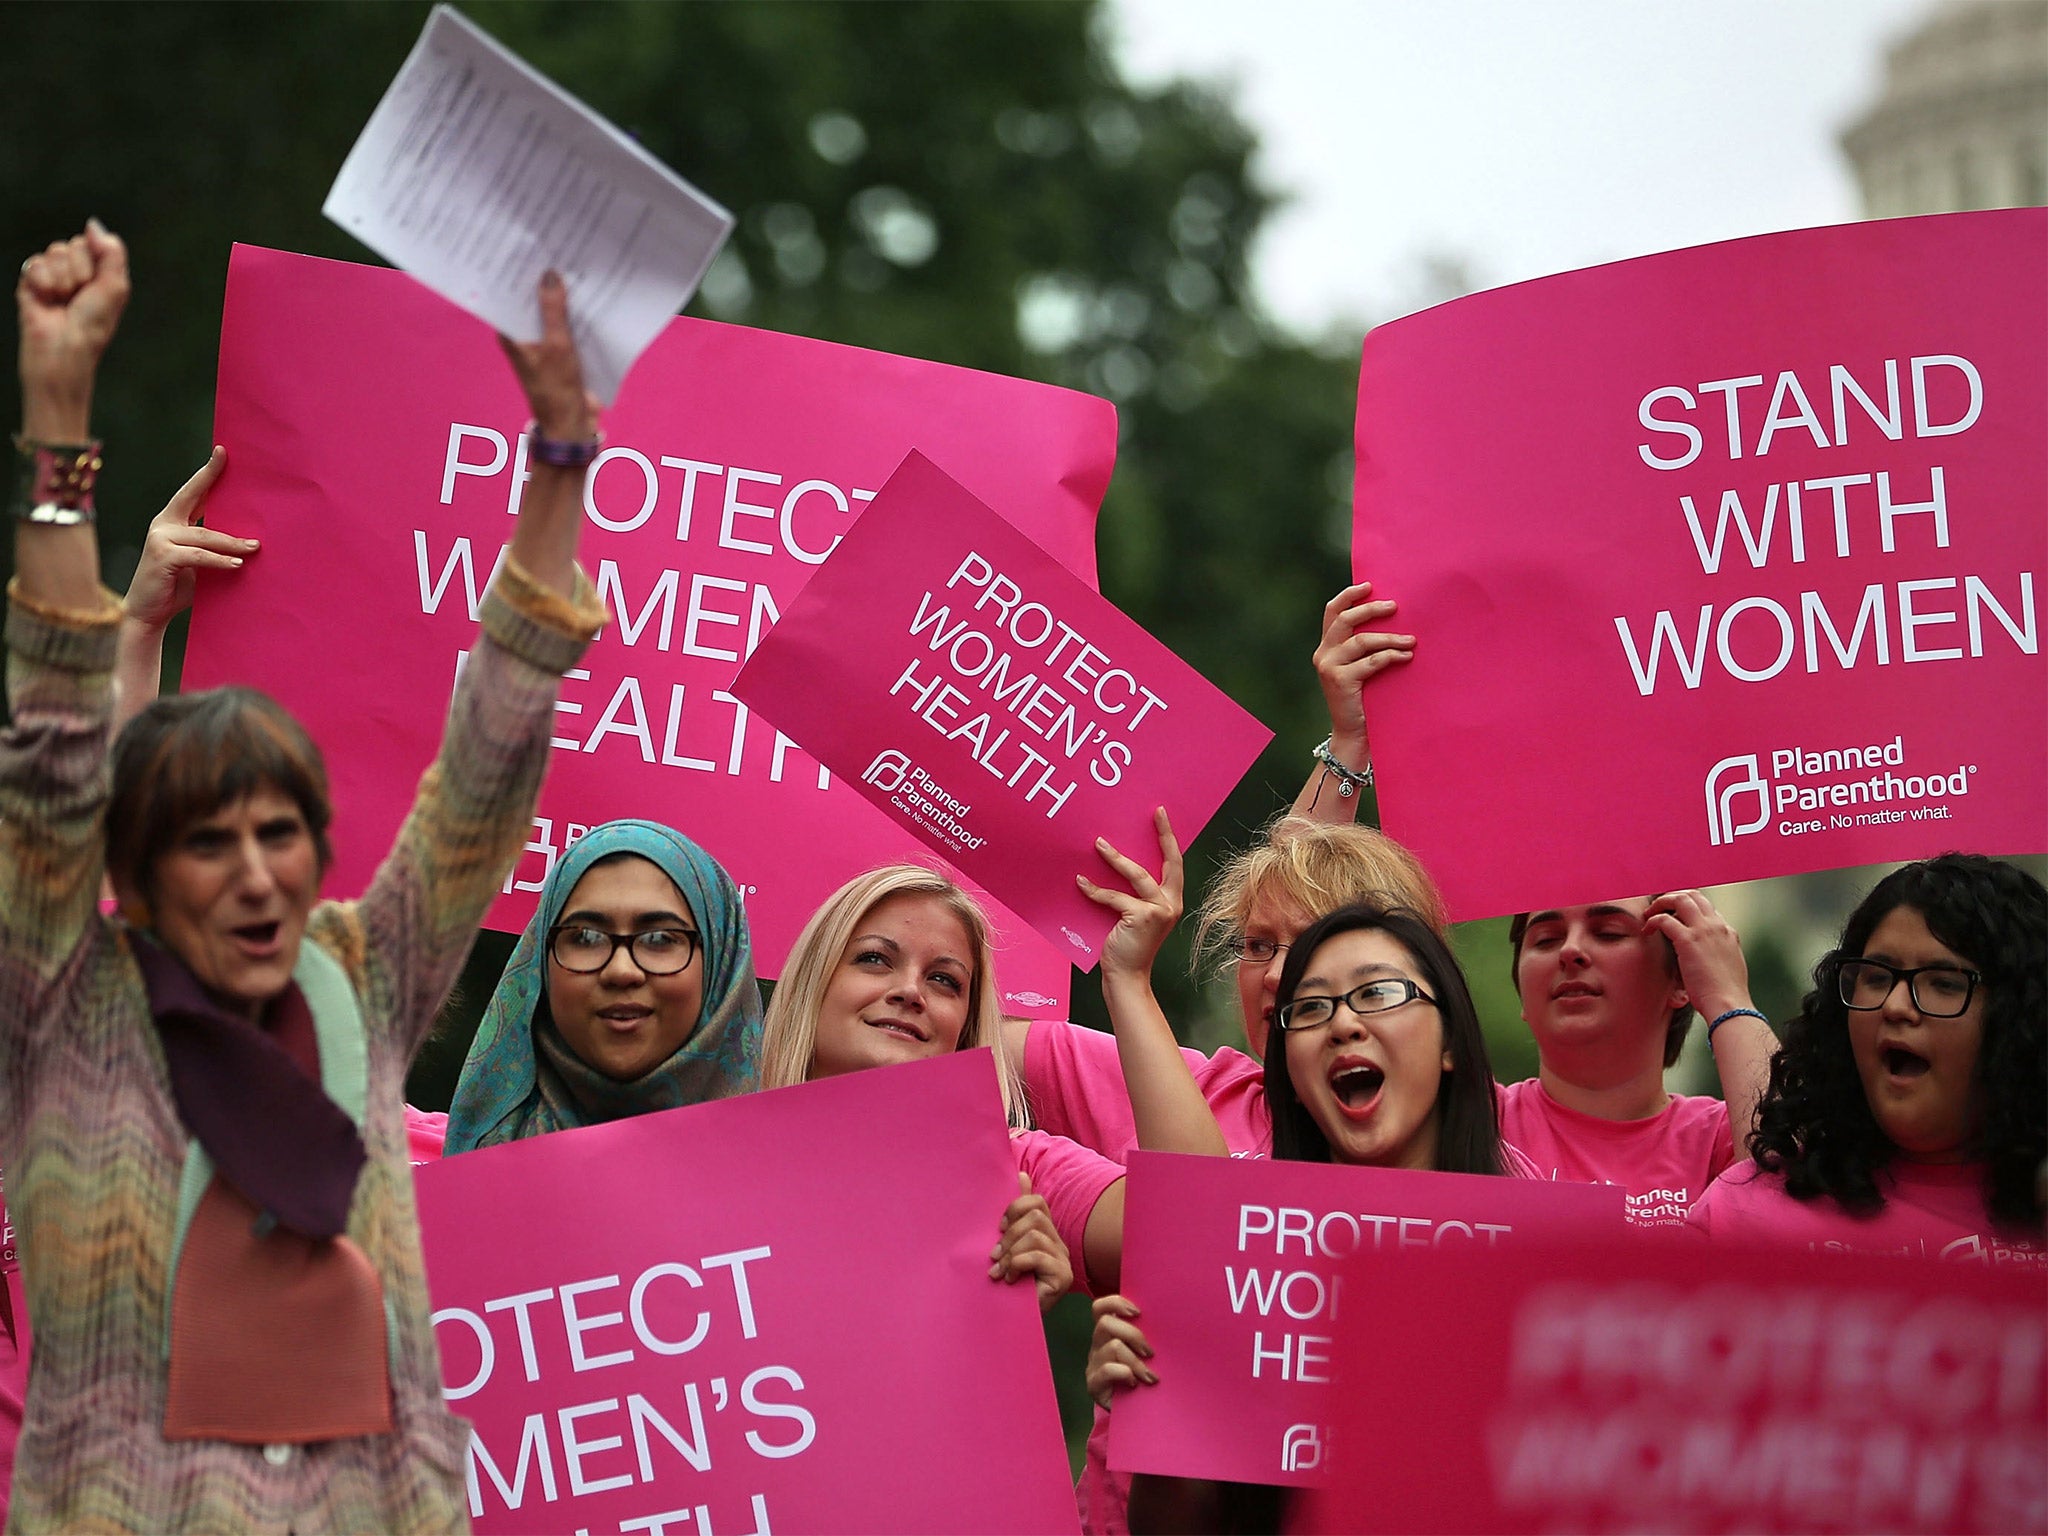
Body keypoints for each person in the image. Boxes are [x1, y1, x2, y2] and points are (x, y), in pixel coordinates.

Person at [0, 225, 608, 1530]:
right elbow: (53, 743)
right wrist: (60, 418)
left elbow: (490, 749)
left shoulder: (361, 973)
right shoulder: (60, 1000)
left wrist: (561, 455)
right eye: (210, 844)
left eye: (281, 834)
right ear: (137, 878)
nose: (257, 875)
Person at [1296, 578, 1775, 1222]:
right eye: (1546, 937)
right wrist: (1350, 741)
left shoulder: (1722, 1138)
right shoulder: (1458, 1125)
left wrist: (1733, 1001)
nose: (1571, 951)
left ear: (1682, 980)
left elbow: (1792, 1195)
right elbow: (1292, 929)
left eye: (1608, 931)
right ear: (1520, 990)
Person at [1084, 898, 1520, 1532]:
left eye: (1377, 992)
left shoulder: (1544, 1268)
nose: (1343, 1025)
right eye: (1311, 1009)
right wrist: (1157, 1425)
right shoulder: (1241, 1272)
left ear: (1451, 1039)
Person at [760, 863, 1126, 1306]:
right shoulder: (705, 1148)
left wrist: (1131, 984)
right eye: (874, 959)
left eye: (943, 980)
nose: (911, 991)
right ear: (812, 985)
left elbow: (1195, 1239)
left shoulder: (1012, 1174)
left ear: (965, 1029)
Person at [1009, 813, 1447, 1162]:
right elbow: (964, 1036)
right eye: (1257, 945)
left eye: (1312, 944)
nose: (1276, 975)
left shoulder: (1481, 1142)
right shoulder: (1176, 1080)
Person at [1689, 854, 2046, 1263]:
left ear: (2021, 1018)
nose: (1895, 1006)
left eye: (1943, 984)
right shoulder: (1745, 1218)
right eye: (1876, 977)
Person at [443, 819, 761, 1151]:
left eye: (660, 938)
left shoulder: (788, 1183)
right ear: (540, 962)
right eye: (585, 937)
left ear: (718, 964)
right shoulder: (468, 1177)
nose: (621, 971)